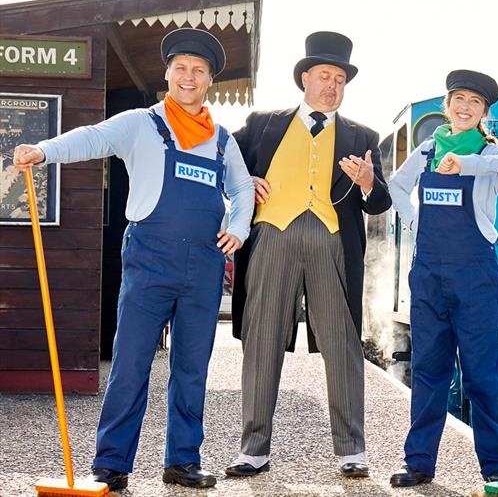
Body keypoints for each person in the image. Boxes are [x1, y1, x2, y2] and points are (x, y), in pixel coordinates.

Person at [13, 28, 254, 491]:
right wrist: (44, 151)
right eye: (181, 68)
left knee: (191, 367)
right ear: (168, 75)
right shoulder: (141, 124)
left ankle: (182, 461)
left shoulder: (222, 140)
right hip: (150, 260)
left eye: (198, 71)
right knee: (131, 363)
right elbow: (92, 137)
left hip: (204, 265)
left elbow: (242, 188)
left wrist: (239, 227)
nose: (189, 77)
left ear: (208, 82)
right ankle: (111, 464)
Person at [226, 31, 391, 479]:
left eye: (340, 78)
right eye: (324, 76)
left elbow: (380, 203)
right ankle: (253, 449)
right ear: (305, 78)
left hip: (332, 244)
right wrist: (242, 187)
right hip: (272, 238)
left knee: (342, 346)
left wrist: (368, 184)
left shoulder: (363, 135)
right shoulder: (263, 123)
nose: (332, 86)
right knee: (261, 343)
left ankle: (352, 450)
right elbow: (226, 163)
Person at [387, 70, 498, 487]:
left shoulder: (491, 155)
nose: (465, 107)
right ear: (447, 106)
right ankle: (418, 462)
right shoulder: (429, 148)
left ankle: (494, 466)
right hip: (430, 273)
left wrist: (465, 164)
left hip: (475, 275)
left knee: (482, 373)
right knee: (430, 369)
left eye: (474, 103)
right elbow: (398, 185)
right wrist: (414, 223)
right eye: (459, 99)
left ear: (484, 112)